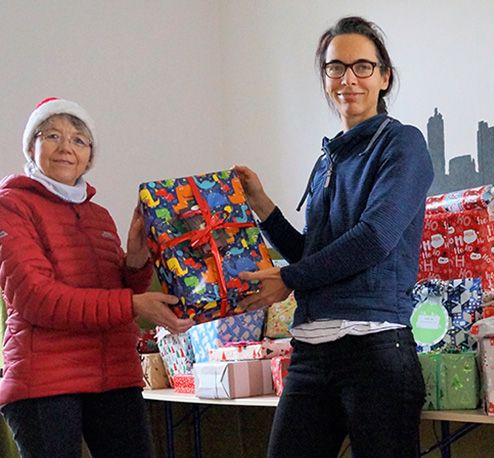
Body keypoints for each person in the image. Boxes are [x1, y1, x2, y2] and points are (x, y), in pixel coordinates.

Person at [235, 16, 434, 458]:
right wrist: (263, 206)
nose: (349, 79)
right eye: (335, 67)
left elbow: (374, 237)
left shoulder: (402, 144)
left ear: (384, 77)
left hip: (376, 348)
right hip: (310, 353)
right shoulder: (327, 160)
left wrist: (289, 279)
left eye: (363, 67)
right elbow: (316, 254)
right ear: (325, 78)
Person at [0, 97, 193, 458]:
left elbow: (119, 294)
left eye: (78, 139)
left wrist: (136, 260)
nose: (65, 147)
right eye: (52, 134)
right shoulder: (10, 206)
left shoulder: (98, 215)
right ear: (31, 146)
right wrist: (133, 301)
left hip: (115, 375)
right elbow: (37, 299)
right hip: (44, 380)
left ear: (90, 156)